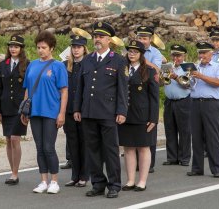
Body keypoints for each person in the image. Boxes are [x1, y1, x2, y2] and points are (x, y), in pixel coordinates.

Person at [74, 21, 128, 199]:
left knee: (110, 150)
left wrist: (121, 111)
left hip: (108, 113)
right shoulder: (88, 60)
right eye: (96, 36)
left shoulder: (118, 60)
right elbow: (80, 87)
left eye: (101, 36)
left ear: (109, 40)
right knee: (92, 150)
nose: (97, 39)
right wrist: (77, 108)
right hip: (88, 112)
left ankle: (114, 184)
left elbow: (122, 89)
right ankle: (98, 183)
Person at [21, 31, 68, 194]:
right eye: (38, 47)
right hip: (35, 112)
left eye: (44, 47)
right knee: (39, 147)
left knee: (49, 147)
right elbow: (27, 88)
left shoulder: (58, 66)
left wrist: (61, 113)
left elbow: (64, 92)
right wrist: (25, 110)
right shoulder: (32, 65)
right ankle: (43, 181)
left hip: (51, 112)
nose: (40, 50)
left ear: (52, 48)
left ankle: (54, 181)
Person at [118, 40, 159, 192]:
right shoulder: (122, 69)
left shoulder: (149, 70)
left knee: (143, 148)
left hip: (142, 116)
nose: (132, 54)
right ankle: (130, 180)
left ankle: (142, 181)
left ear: (141, 54)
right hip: (125, 115)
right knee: (128, 148)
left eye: (135, 52)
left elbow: (154, 97)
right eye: (130, 51)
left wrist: (153, 118)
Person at [0, 35, 29, 185]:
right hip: (5, 106)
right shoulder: (3, 64)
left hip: (20, 108)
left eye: (16, 46)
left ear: (21, 49)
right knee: (8, 140)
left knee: (15, 139)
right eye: (11, 46)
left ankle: (15, 173)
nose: (13, 49)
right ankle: (12, 171)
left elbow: (29, 86)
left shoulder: (27, 64)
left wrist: (27, 109)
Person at [187, 42, 219, 178]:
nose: (201, 55)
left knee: (212, 136)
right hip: (195, 103)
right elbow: (189, 86)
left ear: (211, 54)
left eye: (204, 53)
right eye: (199, 53)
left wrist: (201, 76)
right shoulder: (195, 67)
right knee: (196, 136)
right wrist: (188, 78)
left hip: (211, 104)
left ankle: (216, 169)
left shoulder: (218, 67)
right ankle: (197, 168)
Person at [135, 25, 163, 173]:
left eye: (144, 38)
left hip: (148, 93)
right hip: (134, 94)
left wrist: (141, 59)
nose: (142, 40)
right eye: (139, 38)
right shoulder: (131, 51)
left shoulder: (156, 53)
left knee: (149, 128)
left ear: (150, 39)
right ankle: (136, 162)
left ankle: (149, 163)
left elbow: (156, 70)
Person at [63, 34, 89, 187]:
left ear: (84, 49)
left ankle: (84, 175)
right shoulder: (66, 64)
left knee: (84, 143)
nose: (76, 49)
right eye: (74, 47)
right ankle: (75, 175)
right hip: (69, 110)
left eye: (79, 47)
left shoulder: (89, 64)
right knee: (72, 143)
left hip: (84, 111)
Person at [162, 44, 192, 166]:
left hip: (183, 102)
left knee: (184, 130)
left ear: (184, 55)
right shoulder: (167, 67)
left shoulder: (188, 68)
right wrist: (161, 76)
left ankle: (184, 158)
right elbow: (160, 83)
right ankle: (172, 158)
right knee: (170, 130)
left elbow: (188, 84)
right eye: (174, 55)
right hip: (169, 101)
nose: (176, 58)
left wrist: (175, 77)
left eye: (179, 56)